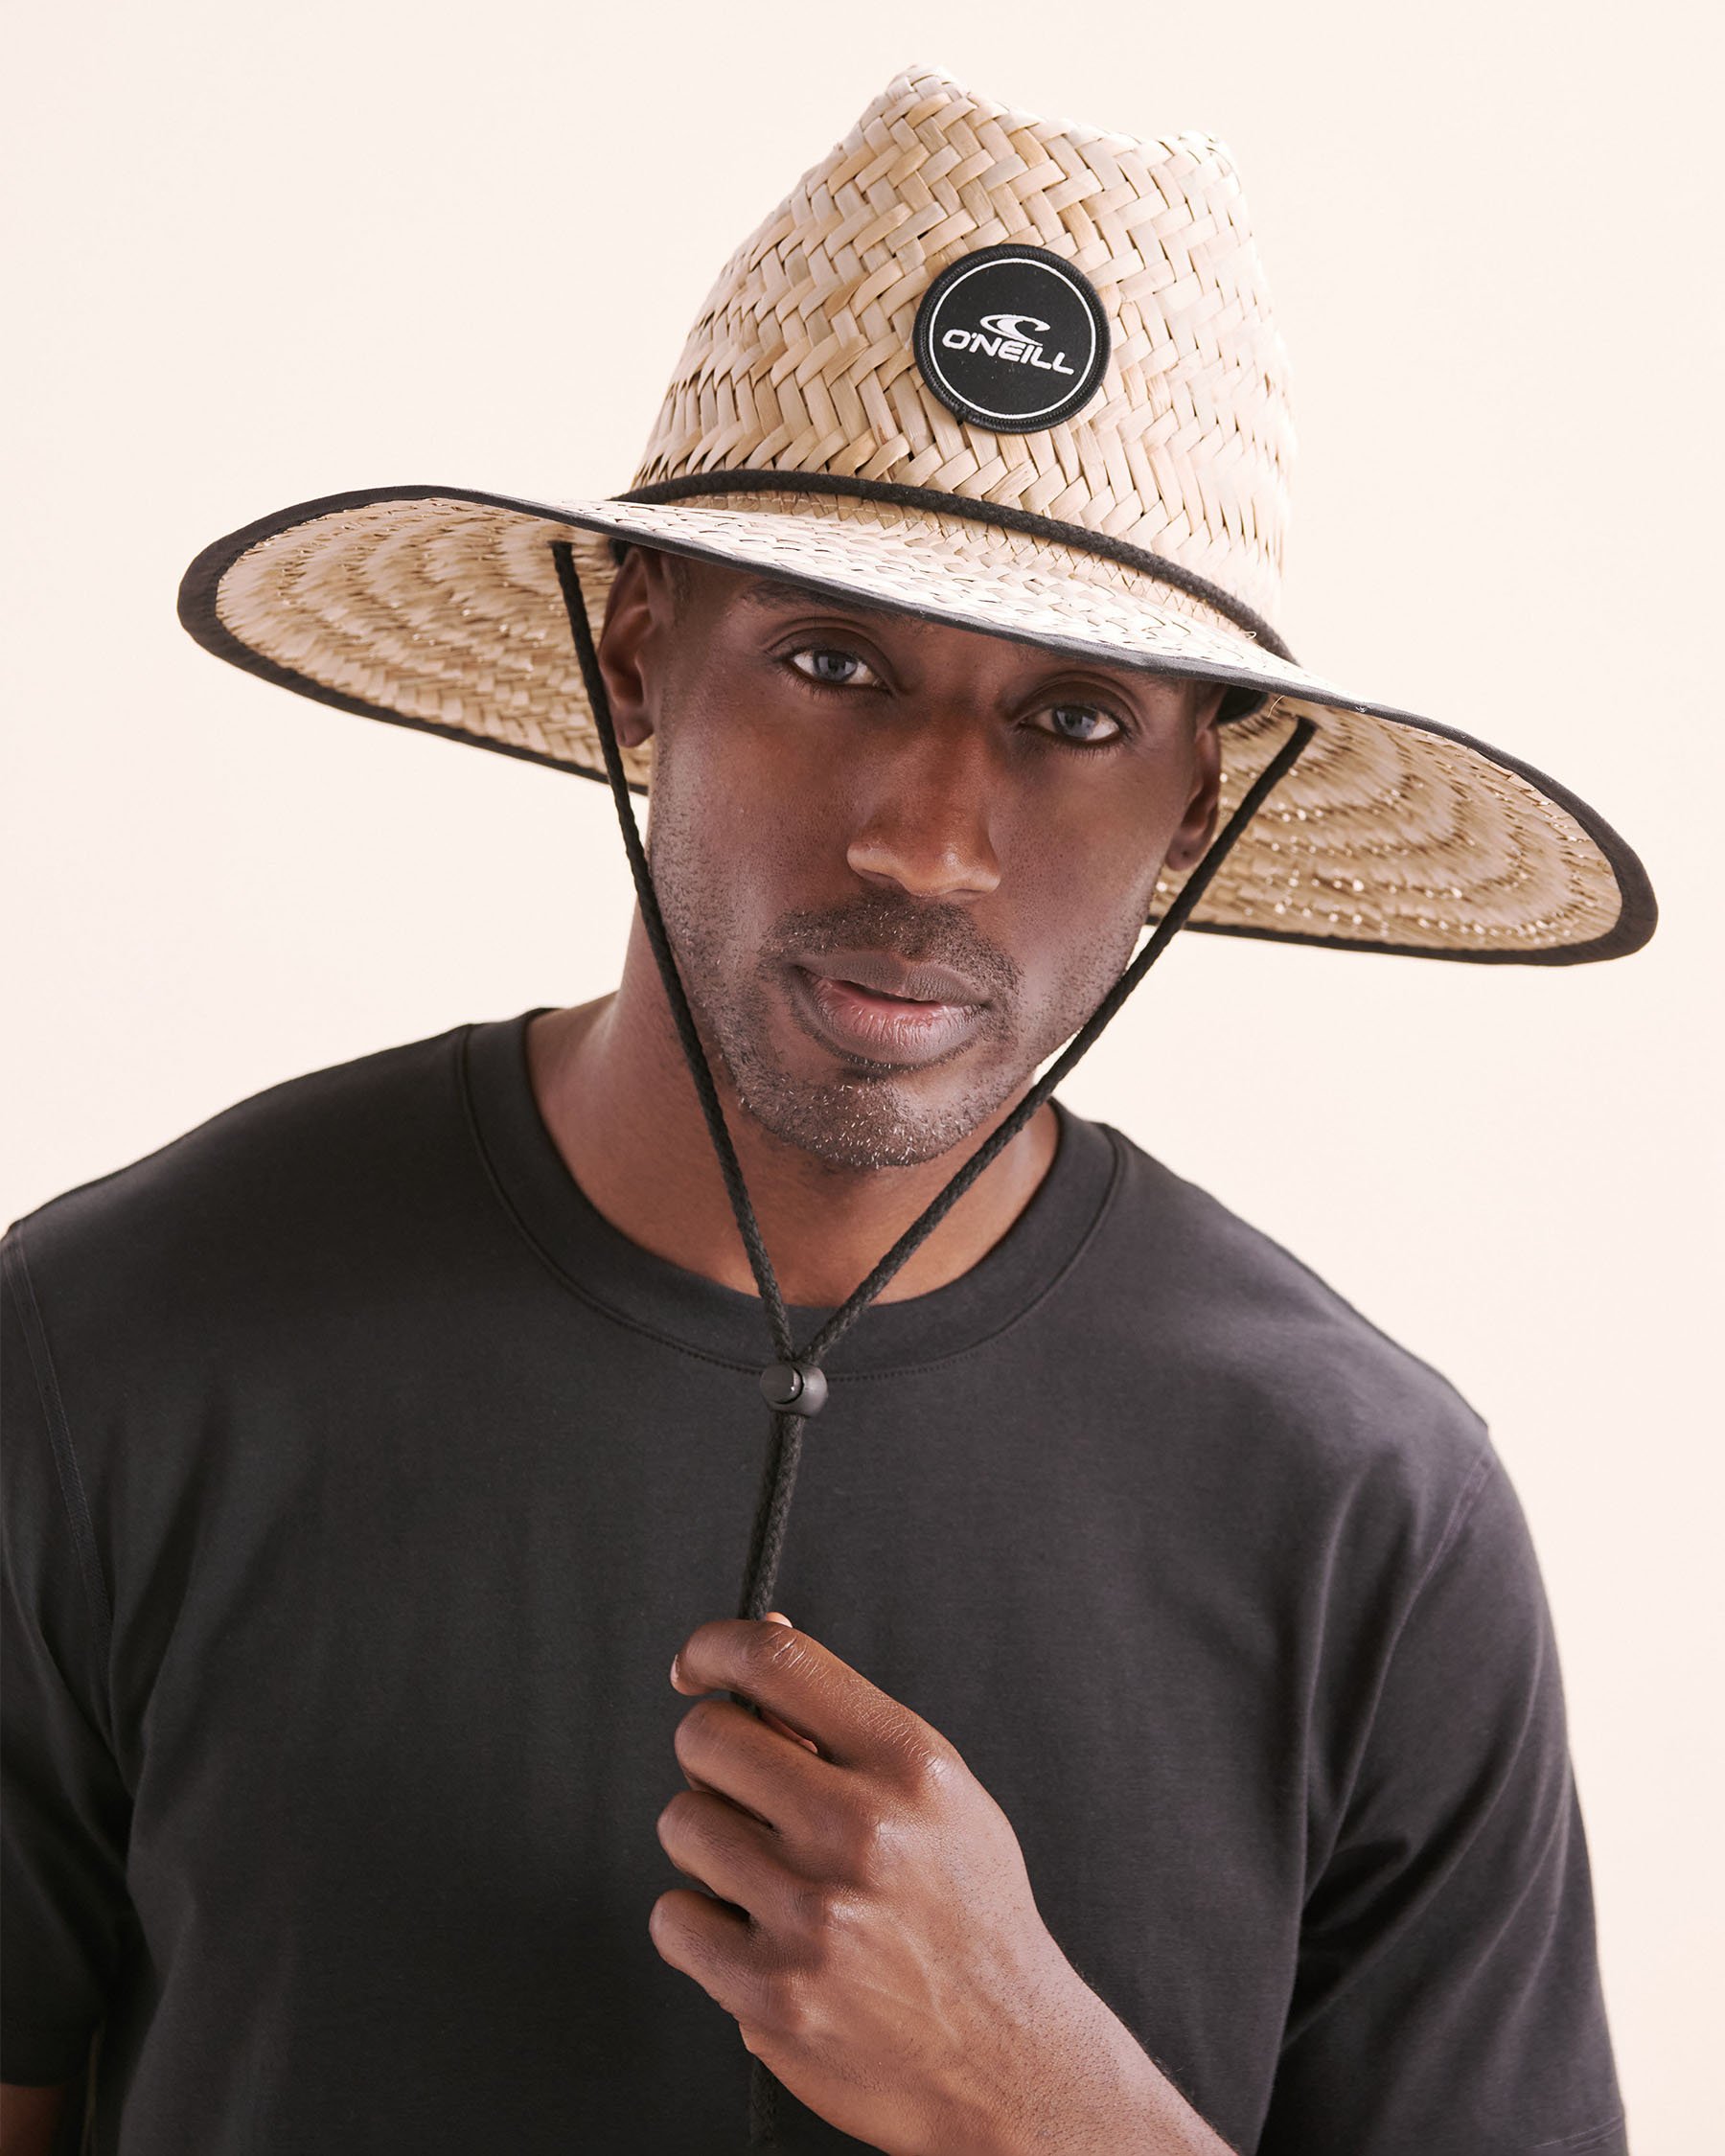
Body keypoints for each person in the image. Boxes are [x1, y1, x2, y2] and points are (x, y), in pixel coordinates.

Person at [3, 62, 1648, 2156]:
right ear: (638, 654)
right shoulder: (116, 1353)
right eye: (835, 665)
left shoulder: (1369, 1519)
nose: (930, 842)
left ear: (1193, 809)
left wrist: (1043, 2103)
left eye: (1073, 717)